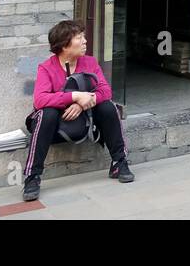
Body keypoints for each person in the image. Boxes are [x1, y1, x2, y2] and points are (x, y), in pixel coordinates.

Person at [22, 20, 134, 202]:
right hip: (56, 125)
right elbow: (40, 99)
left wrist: (82, 103)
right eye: (79, 38)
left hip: (85, 120)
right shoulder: (46, 68)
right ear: (64, 45)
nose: (85, 41)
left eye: (83, 37)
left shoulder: (89, 62)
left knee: (108, 106)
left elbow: (105, 91)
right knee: (46, 112)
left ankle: (119, 162)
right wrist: (74, 96)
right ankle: (32, 176)